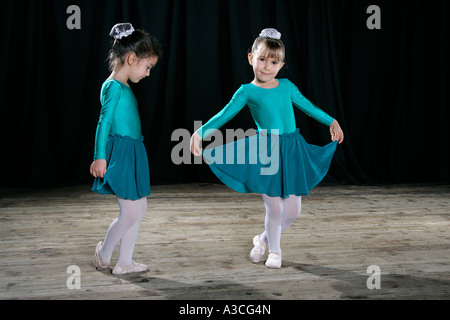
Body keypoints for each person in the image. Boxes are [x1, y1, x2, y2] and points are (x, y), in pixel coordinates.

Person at [190, 28, 344, 269]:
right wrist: (200, 133)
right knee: (274, 207)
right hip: (267, 150)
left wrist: (331, 121)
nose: (266, 66)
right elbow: (224, 116)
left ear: (281, 66)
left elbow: (309, 107)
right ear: (251, 58)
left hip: (292, 149)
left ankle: (262, 239)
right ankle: (275, 251)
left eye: (274, 62)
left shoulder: (287, 86)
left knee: (292, 211)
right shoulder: (246, 91)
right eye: (262, 59)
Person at [90, 23, 162, 275]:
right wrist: (99, 156)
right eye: (147, 67)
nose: (148, 73)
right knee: (130, 212)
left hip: (133, 150)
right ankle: (103, 253)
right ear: (132, 59)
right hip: (120, 151)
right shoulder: (113, 87)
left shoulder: (123, 86)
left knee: (139, 209)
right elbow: (104, 121)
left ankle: (124, 263)